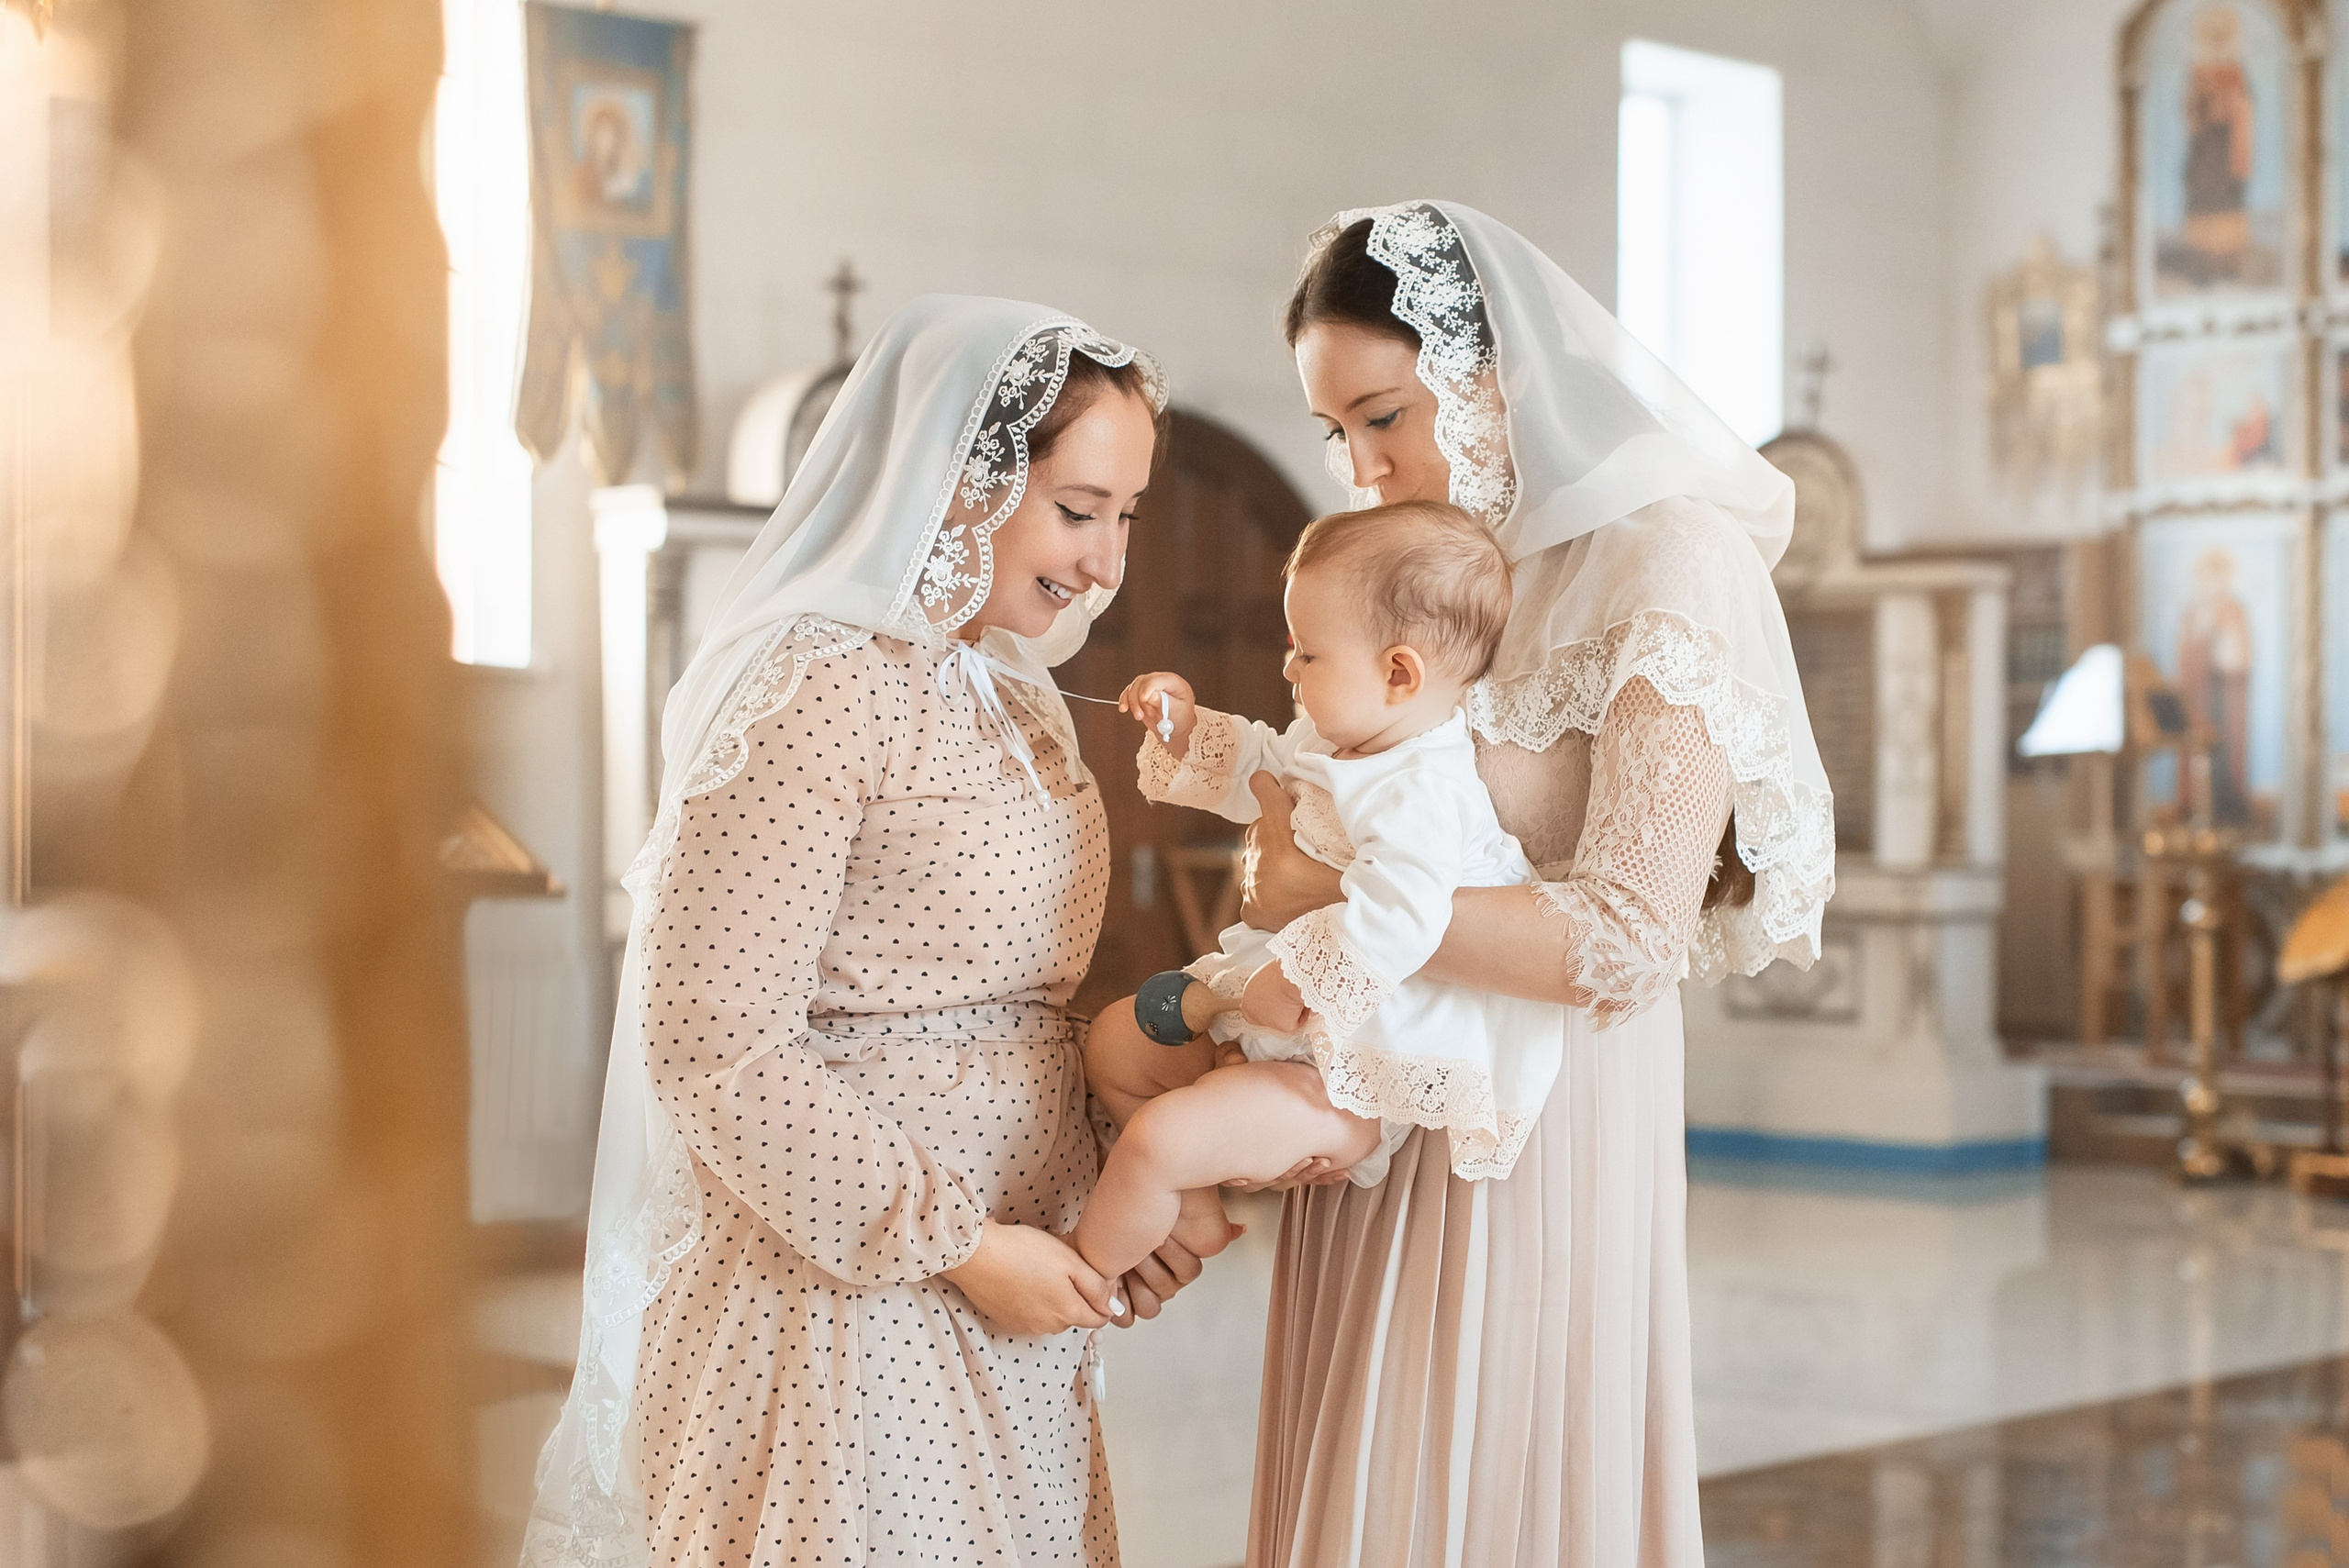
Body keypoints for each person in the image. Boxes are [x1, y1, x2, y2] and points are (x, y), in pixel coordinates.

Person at [523, 295, 1195, 1566]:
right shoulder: (819, 687)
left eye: (1127, 518)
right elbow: (715, 1044)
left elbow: (1018, 1008)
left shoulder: (1016, 686)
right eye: (1078, 509)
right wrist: (955, 1242)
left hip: (1014, 1275)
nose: (1108, 565)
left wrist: (1116, 1199)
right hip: (843, 1295)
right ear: (960, 482)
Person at [1241, 202, 1835, 1566]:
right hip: (1383, 1093)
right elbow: (1336, 797)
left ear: (1487, 370)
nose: (1363, 467)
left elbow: (1626, 933)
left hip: (1549, 1118)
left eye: (1384, 415)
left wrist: (1344, 917)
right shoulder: (1424, 566)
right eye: (1337, 433)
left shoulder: (1667, 556)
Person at [1074, 499, 1569, 1286]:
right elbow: (1262, 764)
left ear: (1398, 672)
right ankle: (1192, 1203)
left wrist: (1304, 984)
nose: (1288, 670)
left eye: (1307, 654)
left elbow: (1406, 915)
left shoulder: (1422, 786)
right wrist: (1185, 726)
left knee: (1158, 1138)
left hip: (1343, 1069)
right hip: (1270, 1020)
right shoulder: (1335, 738)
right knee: (1114, 1043)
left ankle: (1079, 1279)